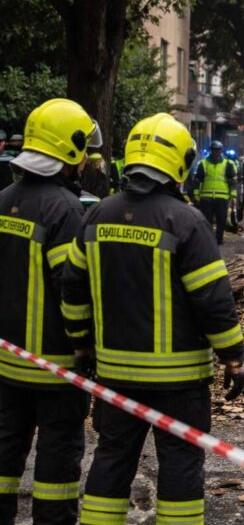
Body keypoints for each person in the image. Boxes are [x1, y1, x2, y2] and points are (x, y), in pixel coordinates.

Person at [61, 113, 244, 525]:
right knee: (180, 463)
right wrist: (233, 357)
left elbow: (72, 289)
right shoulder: (187, 221)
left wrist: (81, 344)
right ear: (179, 163)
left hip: (115, 375)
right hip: (179, 382)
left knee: (111, 458)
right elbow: (213, 301)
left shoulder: (97, 216)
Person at [0, 98, 102, 525]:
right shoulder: (66, 210)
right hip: (56, 366)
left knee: (5, 453)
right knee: (57, 459)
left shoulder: (3, 199)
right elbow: (71, 288)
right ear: (70, 151)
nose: (87, 160)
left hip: (6, 364)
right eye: (84, 152)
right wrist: (86, 347)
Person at [191, 140, 237, 245]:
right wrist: (196, 195)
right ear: (211, 150)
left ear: (221, 151)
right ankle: (208, 240)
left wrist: (233, 195)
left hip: (222, 197)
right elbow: (197, 180)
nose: (216, 152)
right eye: (214, 150)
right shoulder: (203, 163)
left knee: (221, 220)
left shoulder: (228, 164)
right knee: (207, 221)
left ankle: (219, 240)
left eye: (218, 150)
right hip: (206, 197)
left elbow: (233, 180)